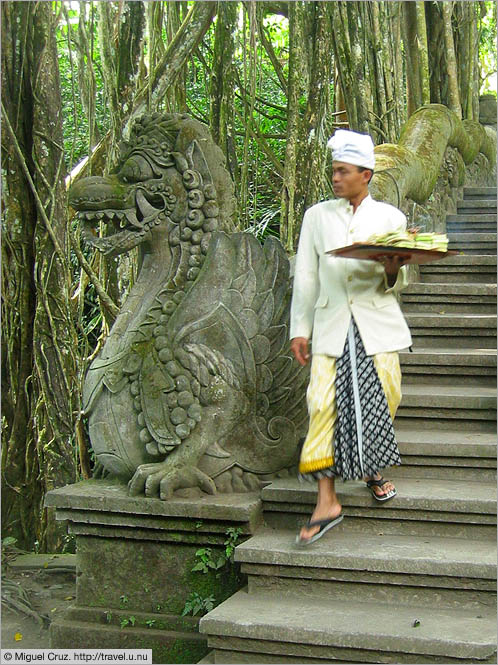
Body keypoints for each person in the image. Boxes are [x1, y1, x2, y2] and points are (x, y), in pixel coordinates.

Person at [290, 129, 412, 546]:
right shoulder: (316, 216)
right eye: (334, 171)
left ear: (366, 174)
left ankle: (372, 465)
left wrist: (392, 267)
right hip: (330, 324)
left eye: (343, 171)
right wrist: (299, 329)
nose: (335, 178)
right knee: (322, 403)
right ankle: (327, 501)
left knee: (386, 396)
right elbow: (306, 275)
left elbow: (399, 279)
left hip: (376, 323)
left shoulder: (391, 218)